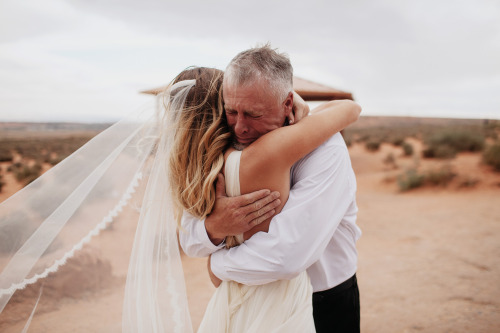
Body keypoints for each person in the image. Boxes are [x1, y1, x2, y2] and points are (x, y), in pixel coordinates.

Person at [180, 45, 362, 333]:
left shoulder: (327, 151)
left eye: (253, 114)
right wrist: (214, 227)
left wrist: (217, 266)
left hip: (323, 301)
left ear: (288, 103)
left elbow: (286, 256)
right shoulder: (225, 146)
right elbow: (188, 236)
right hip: (246, 303)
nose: (240, 127)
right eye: (232, 111)